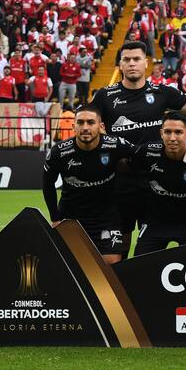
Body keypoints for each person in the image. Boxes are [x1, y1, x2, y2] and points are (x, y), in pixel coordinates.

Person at [90, 41, 186, 251]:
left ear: (147, 63)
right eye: (127, 60)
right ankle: (117, 282)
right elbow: (87, 123)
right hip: (119, 181)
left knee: (151, 247)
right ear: (120, 65)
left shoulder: (162, 92)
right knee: (117, 249)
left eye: (136, 59)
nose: (132, 63)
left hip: (154, 183)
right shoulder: (104, 96)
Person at [42, 105, 136, 264]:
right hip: (70, 217)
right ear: (73, 126)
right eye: (80, 122)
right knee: (71, 264)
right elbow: (47, 183)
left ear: (101, 126)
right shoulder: (58, 152)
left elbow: (141, 158)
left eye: (91, 122)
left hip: (106, 217)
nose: (85, 127)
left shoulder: (115, 145)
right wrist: (55, 217)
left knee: (112, 263)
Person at [129, 112, 186, 255]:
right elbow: (129, 171)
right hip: (156, 222)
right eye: (168, 132)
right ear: (161, 133)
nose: (173, 138)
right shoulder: (147, 152)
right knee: (140, 266)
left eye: (178, 132)